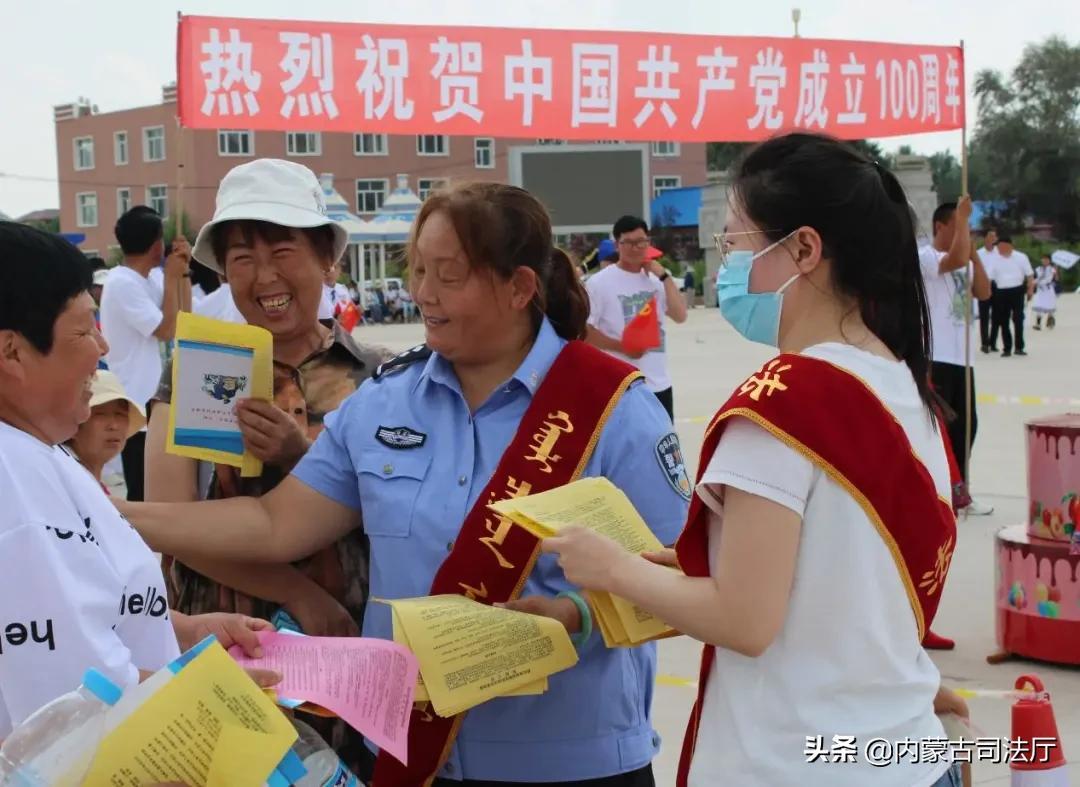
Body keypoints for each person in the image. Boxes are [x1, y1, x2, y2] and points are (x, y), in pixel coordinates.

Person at [120, 182, 690, 786]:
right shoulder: (383, 402)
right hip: (415, 758)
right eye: (418, 271)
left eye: (448, 275)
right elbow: (273, 524)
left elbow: (683, 573)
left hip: (570, 760)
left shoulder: (609, 406)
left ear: (520, 287)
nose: (423, 294)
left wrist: (575, 614)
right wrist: (111, 513)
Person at [542, 133, 964, 787]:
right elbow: (833, 581)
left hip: (795, 762)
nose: (727, 263)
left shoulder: (783, 407)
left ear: (803, 249)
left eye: (737, 241)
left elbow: (744, 618)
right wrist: (679, 569)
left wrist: (612, 567)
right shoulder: (908, 385)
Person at [145, 158, 387, 765]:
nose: (264, 276)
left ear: (327, 258)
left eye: (283, 250)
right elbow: (166, 521)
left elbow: (402, 511)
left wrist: (302, 457)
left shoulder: (380, 375)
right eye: (242, 258)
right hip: (231, 642)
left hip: (351, 645)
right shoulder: (192, 373)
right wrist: (297, 594)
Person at [0, 221, 276, 742]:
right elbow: (79, 704)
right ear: (12, 352)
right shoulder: (13, 480)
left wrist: (185, 630)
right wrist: (214, 691)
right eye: (83, 330)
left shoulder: (42, 451)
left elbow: (86, 606)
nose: (102, 346)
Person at [100, 206, 191, 501]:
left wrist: (182, 272)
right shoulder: (121, 282)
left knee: (160, 486)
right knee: (141, 489)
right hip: (136, 399)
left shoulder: (150, 279)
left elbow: (183, 318)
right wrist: (171, 278)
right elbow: (164, 330)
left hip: (156, 397)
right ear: (155, 246)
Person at [920, 200, 993, 516]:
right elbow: (955, 258)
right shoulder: (925, 257)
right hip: (938, 355)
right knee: (942, 428)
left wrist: (975, 252)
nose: (966, 232)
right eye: (959, 225)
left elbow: (985, 292)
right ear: (941, 227)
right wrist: (964, 223)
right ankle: (940, 490)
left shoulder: (966, 259)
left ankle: (961, 490)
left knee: (967, 425)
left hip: (964, 357)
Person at [585, 216, 689, 421]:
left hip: (659, 385)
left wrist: (664, 276)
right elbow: (584, 332)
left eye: (642, 242)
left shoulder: (656, 280)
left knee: (662, 449)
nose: (636, 248)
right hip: (621, 386)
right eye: (629, 243)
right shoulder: (599, 283)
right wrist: (622, 347)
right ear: (617, 245)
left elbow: (680, 315)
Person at [66, 370, 145, 494]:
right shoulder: (69, 483)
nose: (114, 425)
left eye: (120, 414)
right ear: (75, 423)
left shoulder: (90, 483)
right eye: (100, 414)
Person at [991, 234, 1035, 356]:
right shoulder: (995, 259)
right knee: (1003, 320)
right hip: (1001, 291)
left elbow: (1030, 275)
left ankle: (1019, 347)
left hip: (1017, 290)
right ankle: (1007, 348)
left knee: (1018, 318)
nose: (998, 249)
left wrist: (1030, 289)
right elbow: (990, 277)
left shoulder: (1021, 257)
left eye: (999, 246)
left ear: (1007, 246)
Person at [976, 229, 1000, 353]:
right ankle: (984, 343)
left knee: (997, 315)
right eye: (990, 236)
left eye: (994, 236)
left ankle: (993, 342)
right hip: (984, 284)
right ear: (985, 238)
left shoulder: (1000, 253)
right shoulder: (978, 253)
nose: (992, 238)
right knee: (984, 315)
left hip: (997, 285)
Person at [1032, 254, 1059, 330]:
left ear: (1049, 261)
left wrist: (1037, 282)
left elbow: (1050, 279)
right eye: (1043, 259)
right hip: (1040, 290)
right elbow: (1037, 277)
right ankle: (1038, 324)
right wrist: (1034, 282)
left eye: (1046, 260)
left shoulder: (1052, 269)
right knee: (1039, 305)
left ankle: (1050, 320)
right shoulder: (1038, 269)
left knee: (1049, 305)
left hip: (1048, 289)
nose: (1044, 261)